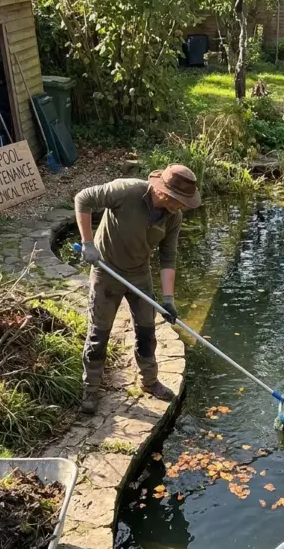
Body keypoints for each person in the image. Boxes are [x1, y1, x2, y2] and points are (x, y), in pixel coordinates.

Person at [75, 164, 201, 414]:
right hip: (106, 270)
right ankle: (91, 389)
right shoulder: (126, 191)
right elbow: (83, 199)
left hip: (140, 274)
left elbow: (168, 257)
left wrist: (168, 299)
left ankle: (150, 381)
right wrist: (88, 243)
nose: (184, 206)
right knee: (99, 333)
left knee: (146, 330)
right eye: (181, 201)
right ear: (166, 194)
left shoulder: (173, 217)